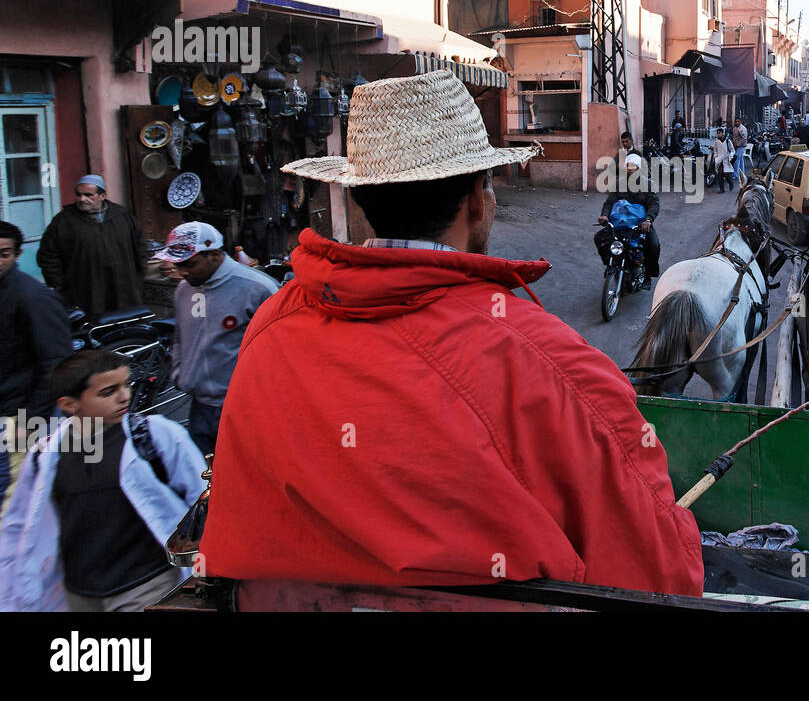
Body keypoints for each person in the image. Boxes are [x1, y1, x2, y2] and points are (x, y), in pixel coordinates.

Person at [199, 70, 703, 596]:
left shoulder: (269, 327)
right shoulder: (552, 363)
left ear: (359, 202)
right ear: (478, 202)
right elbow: (660, 573)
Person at [0, 350, 208, 611]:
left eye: (126, 385)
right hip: (77, 593)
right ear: (69, 404)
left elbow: (202, 503)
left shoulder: (156, 436)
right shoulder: (43, 455)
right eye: (108, 392)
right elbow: (18, 526)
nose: (125, 396)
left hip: (147, 585)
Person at [153, 222, 280, 456]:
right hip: (200, 406)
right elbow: (181, 336)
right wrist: (182, 373)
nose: (181, 272)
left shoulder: (258, 288)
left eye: (189, 264)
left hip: (246, 409)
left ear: (213, 255)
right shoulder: (184, 290)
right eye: (178, 265)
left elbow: (283, 352)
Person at [0, 221, 73, 518]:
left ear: (17, 254)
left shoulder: (32, 296)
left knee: (18, 496)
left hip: (19, 414)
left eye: (3, 253)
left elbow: (55, 363)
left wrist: (31, 419)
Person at [36, 174, 149, 316]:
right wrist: (60, 284)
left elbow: (140, 244)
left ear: (102, 196)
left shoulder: (122, 215)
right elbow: (48, 255)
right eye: (79, 195)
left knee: (126, 322)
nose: (82, 199)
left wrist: (139, 271)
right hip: (85, 289)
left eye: (88, 195)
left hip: (124, 286)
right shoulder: (63, 221)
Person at [596, 152, 662, 279]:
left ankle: (647, 275)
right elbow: (610, 202)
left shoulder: (648, 185)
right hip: (620, 223)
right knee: (599, 239)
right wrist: (604, 215)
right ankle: (611, 264)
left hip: (640, 224)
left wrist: (648, 220)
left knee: (654, 245)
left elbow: (654, 204)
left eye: (634, 166)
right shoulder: (618, 184)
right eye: (628, 166)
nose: (630, 169)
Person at [711, 127, 736, 193]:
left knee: (726, 173)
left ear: (723, 133)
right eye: (717, 133)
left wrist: (730, 156)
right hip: (719, 160)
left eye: (719, 133)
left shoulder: (728, 141)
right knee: (720, 174)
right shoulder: (716, 142)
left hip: (726, 159)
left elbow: (732, 150)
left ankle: (730, 183)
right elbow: (715, 150)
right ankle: (722, 189)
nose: (718, 134)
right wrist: (716, 157)